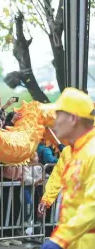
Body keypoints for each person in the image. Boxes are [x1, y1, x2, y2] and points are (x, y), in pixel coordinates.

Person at [40, 88, 95, 249]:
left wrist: (59, 240)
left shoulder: (92, 152)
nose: (53, 121)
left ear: (73, 118)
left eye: (58, 115)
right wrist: (47, 198)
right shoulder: (72, 151)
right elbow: (58, 176)